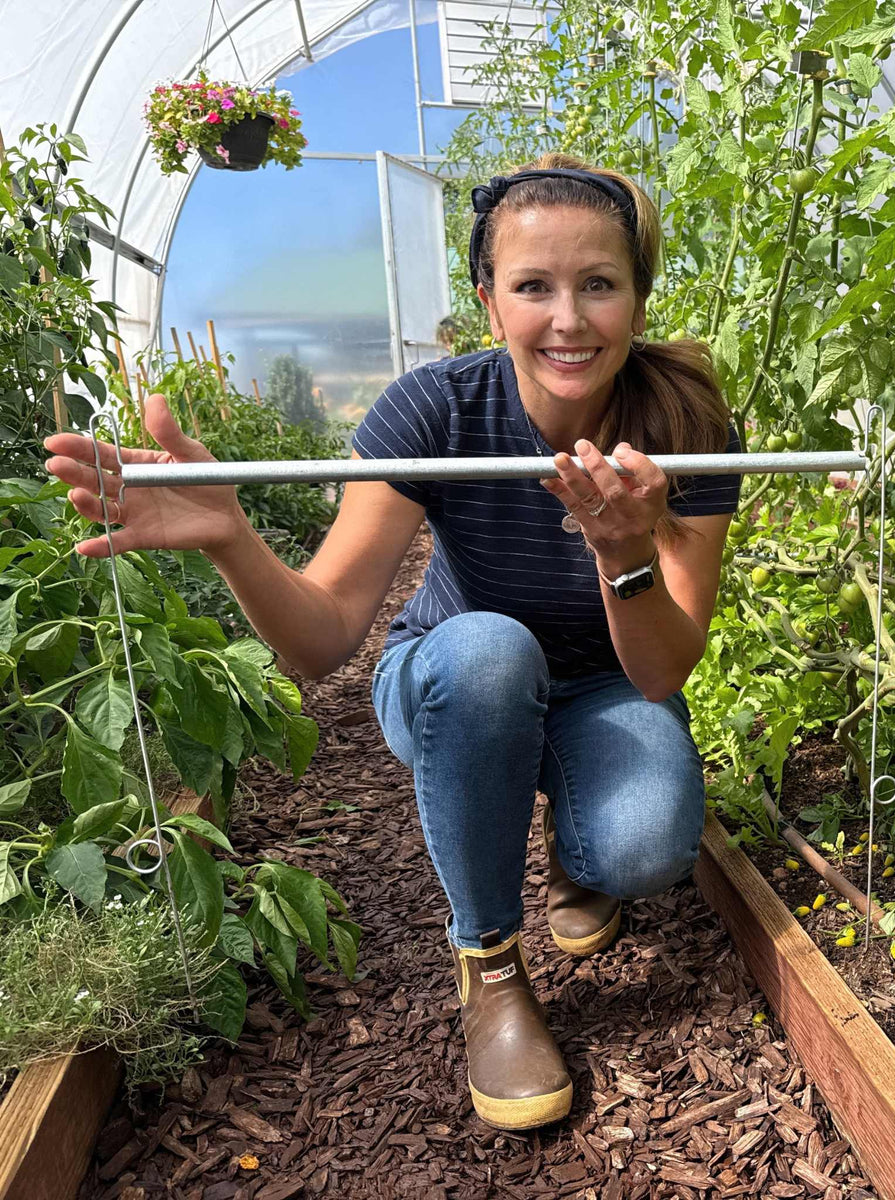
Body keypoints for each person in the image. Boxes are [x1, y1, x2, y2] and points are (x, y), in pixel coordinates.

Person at [43, 152, 742, 1133]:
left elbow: (664, 667)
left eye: (599, 285)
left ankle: (573, 850)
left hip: (604, 681)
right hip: (456, 674)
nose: (569, 320)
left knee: (644, 845)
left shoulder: (687, 425)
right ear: (490, 303)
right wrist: (233, 536)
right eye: (533, 286)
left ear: (637, 295)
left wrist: (623, 554)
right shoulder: (437, 410)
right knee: (491, 653)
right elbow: (321, 638)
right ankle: (490, 965)